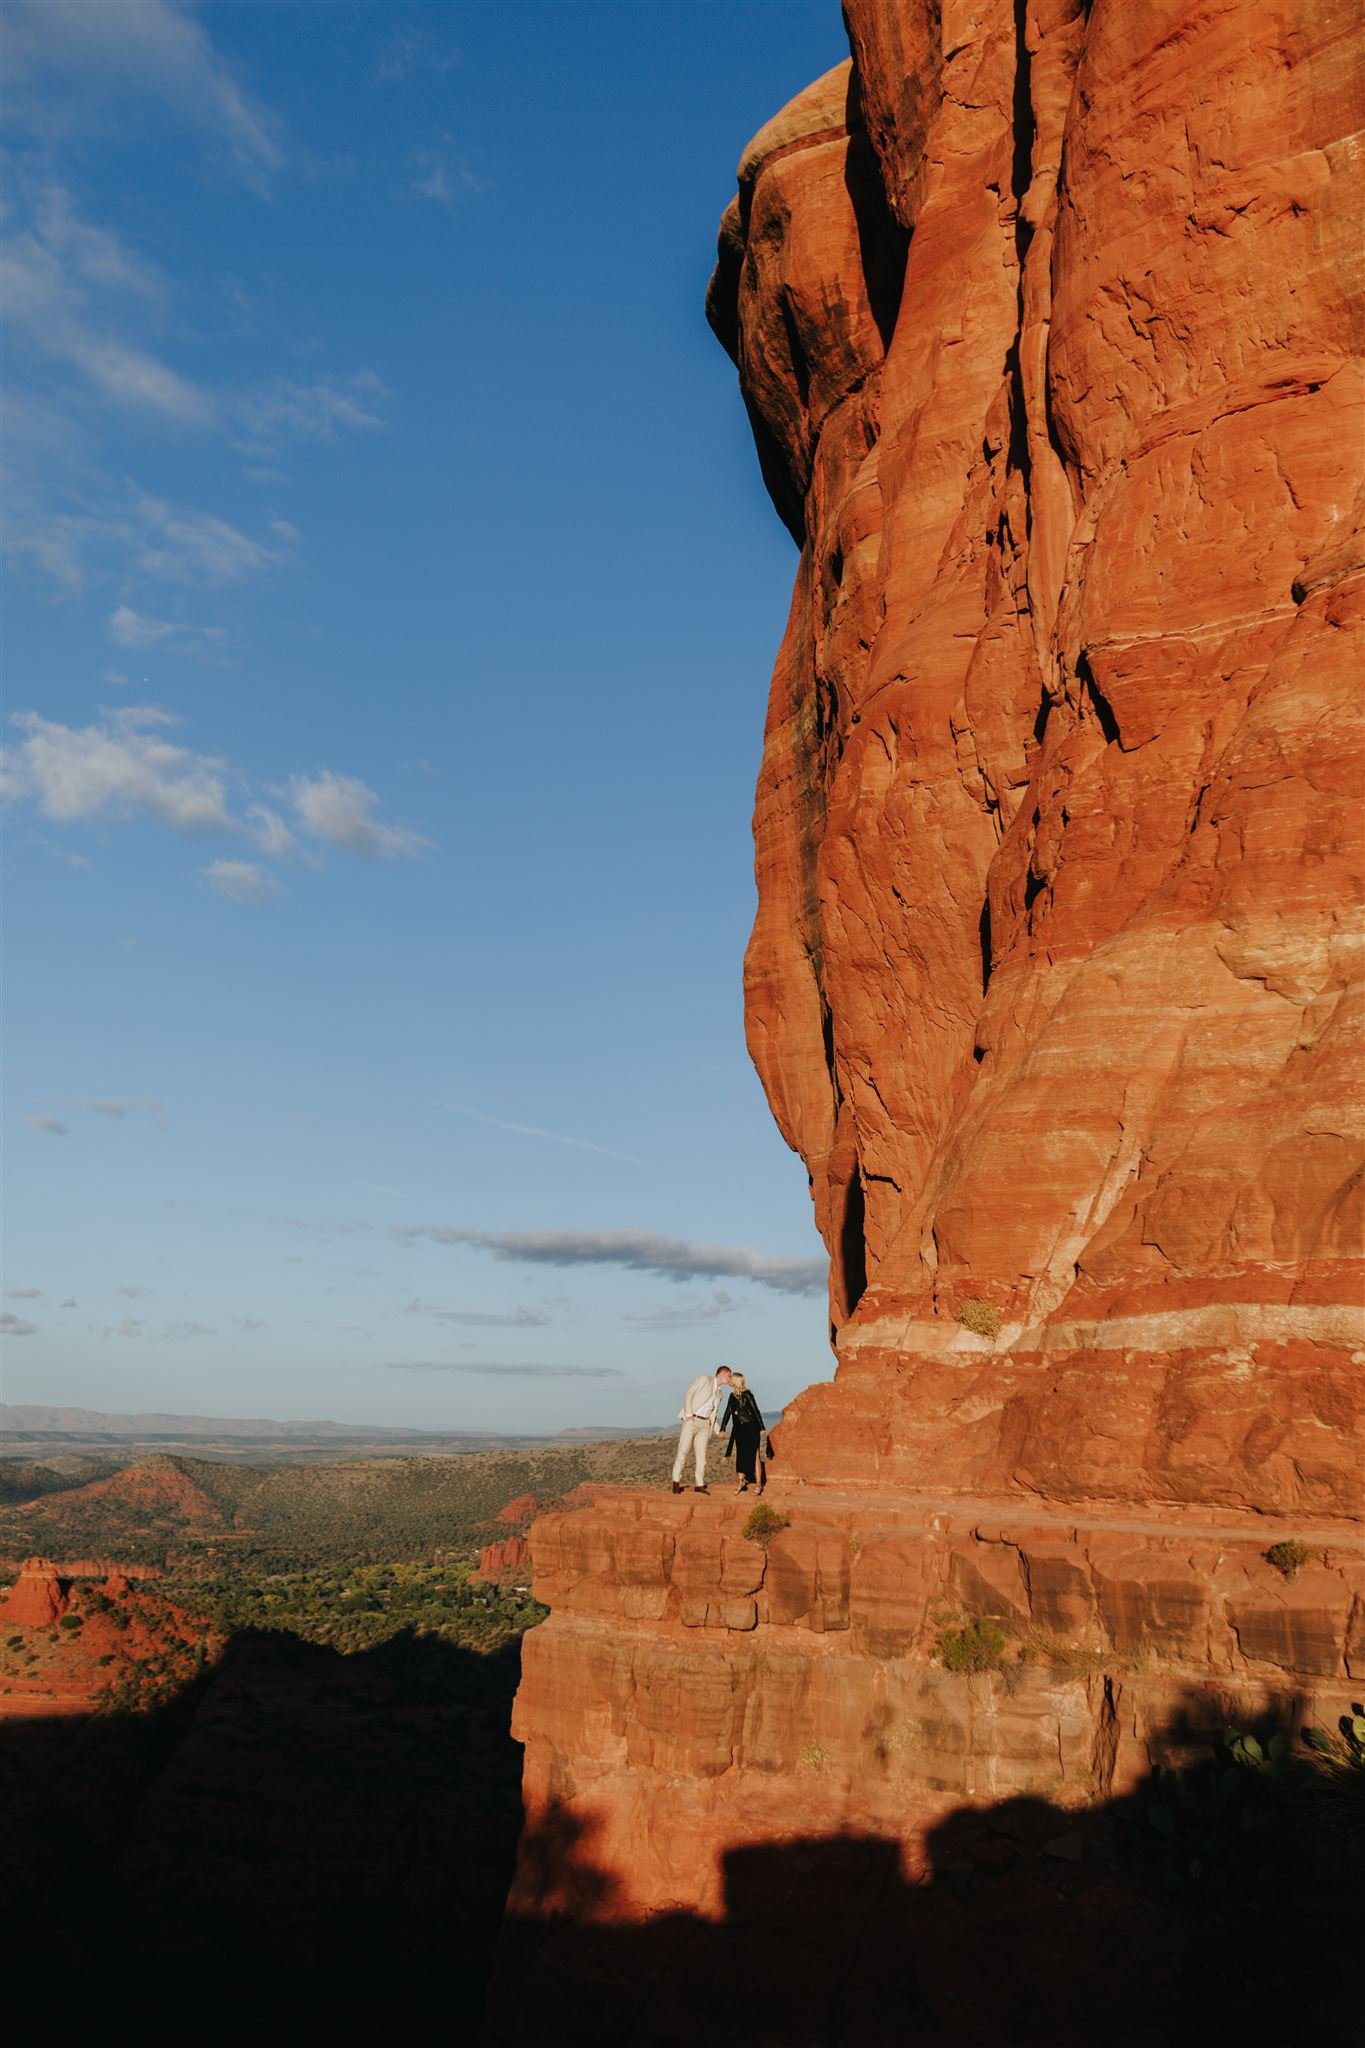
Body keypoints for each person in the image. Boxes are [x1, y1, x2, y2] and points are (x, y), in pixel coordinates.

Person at [671, 1366, 733, 1494]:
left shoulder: (720, 1393)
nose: (730, 1379)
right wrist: (688, 1415)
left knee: (701, 1456)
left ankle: (699, 1484)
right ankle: (676, 1482)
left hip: (705, 1425)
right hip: (692, 1420)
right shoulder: (704, 1379)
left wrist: (718, 1430)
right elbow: (689, 1393)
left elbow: (712, 1414)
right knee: (683, 1451)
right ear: (722, 1373)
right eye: (729, 1375)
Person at [720, 1373, 766, 1493]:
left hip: (751, 1428)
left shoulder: (748, 1394)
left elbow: (756, 1410)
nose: (729, 1381)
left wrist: (762, 1427)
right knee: (740, 1455)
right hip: (739, 1429)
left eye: (731, 1379)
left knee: (755, 1456)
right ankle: (741, 1482)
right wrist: (723, 1428)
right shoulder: (731, 1396)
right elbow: (727, 1412)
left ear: (736, 1381)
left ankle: (758, 1485)